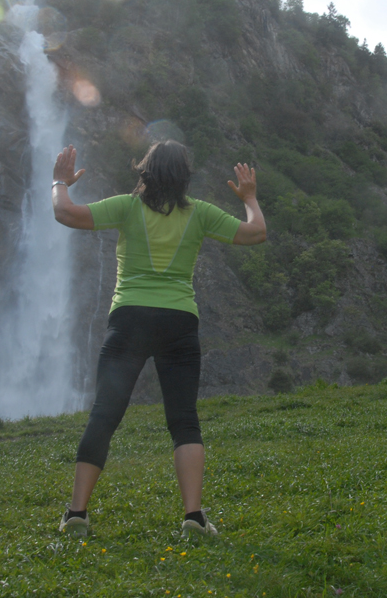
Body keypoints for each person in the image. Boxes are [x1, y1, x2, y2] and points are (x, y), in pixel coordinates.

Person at [51, 140, 267, 538]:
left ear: (144, 172)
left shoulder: (126, 206)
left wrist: (59, 182)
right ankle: (194, 517)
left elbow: (64, 212)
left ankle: (76, 513)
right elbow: (257, 233)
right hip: (179, 321)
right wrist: (250, 197)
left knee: (105, 414)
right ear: (184, 177)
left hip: (130, 319)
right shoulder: (199, 213)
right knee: (184, 420)